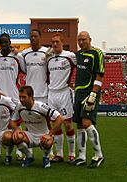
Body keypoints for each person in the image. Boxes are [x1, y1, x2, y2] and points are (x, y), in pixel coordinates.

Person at [4, 86, 63, 168]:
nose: (21, 99)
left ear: (31, 96)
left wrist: (50, 134)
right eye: (20, 97)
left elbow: (60, 118)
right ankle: (29, 156)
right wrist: (17, 129)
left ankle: (46, 157)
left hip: (43, 135)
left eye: (24, 97)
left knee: (48, 142)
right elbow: (12, 121)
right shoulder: (19, 106)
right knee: (16, 137)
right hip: (30, 135)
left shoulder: (41, 106)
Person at [0, 33, 25, 160]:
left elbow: (25, 71)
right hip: (0, 96)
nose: (4, 44)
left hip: (14, 96)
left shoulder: (18, 57)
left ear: (10, 42)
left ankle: (20, 151)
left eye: (6, 42)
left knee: (16, 123)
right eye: (2, 42)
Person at [72, 31, 105, 168]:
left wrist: (93, 95)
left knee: (86, 123)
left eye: (83, 39)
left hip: (90, 93)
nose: (81, 42)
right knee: (79, 124)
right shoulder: (78, 55)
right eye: (79, 40)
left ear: (90, 39)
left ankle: (98, 155)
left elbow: (99, 75)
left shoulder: (97, 53)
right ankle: (81, 156)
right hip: (78, 93)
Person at [46, 33, 76, 163]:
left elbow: (81, 67)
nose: (55, 44)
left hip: (64, 93)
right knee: (55, 124)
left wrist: (75, 82)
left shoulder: (70, 56)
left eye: (57, 41)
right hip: (51, 94)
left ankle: (72, 153)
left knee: (67, 123)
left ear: (62, 43)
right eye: (53, 42)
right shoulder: (49, 59)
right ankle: (59, 154)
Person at [21, 29, 48, 103]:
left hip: (43, 93)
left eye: (35, 36)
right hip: (29, 93)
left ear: (40, 37)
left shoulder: (47, 52)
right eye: (31, 36)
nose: (33, 38)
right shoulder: (24, 53)